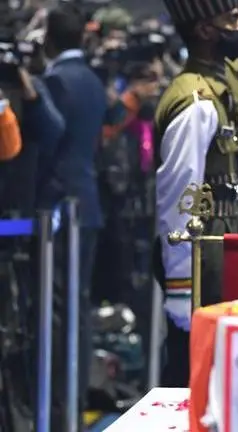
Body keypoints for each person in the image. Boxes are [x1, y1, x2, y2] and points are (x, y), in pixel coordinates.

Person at [155, 0, 238, 387]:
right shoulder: (195, 101)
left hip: (228, 243)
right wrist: (182, 288)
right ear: (204, 30)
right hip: (202, 257)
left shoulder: (225, 78)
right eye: (230, 19)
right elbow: (180, 194)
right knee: (194, 373)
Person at [38, 4, 108, 429]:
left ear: (49, 37)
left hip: (63, 208)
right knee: (77, 307)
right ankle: (75, 398)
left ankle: (60, 404)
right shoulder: (94, 79)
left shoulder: (56, 81)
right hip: (88, 203)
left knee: (60, 310)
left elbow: (50, 141)